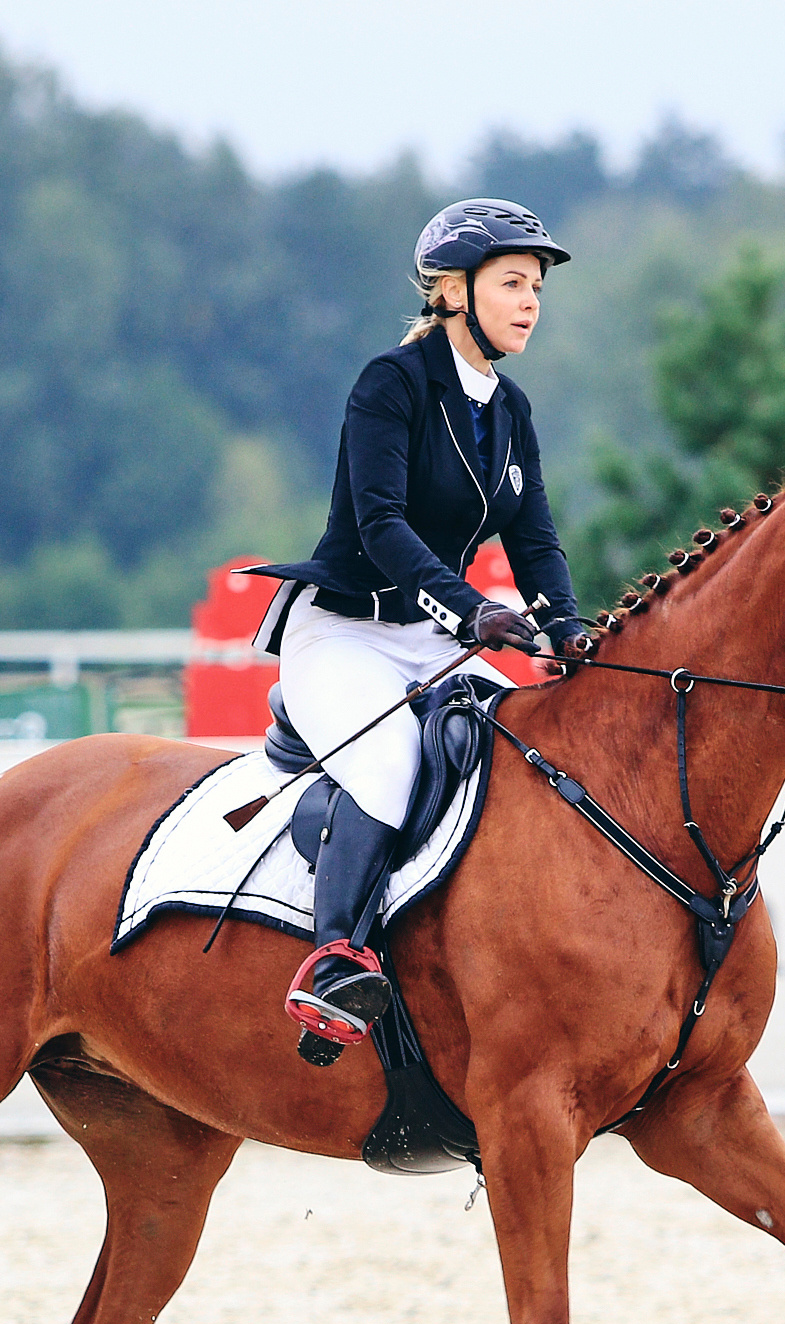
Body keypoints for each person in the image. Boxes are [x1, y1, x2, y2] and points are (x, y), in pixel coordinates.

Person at [247, 198, 586, 1057]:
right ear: (450, 291)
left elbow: (536, 538)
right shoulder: (390, 384)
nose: (530, 302)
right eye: (511, 283)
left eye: (536, 288)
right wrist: (473, 609)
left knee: (527, 750)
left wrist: (570, 627)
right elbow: (381, 526)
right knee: (394, 759)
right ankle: (332, 960)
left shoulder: (511, 412)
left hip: (434, 636)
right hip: (346, 631)